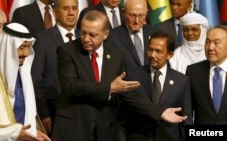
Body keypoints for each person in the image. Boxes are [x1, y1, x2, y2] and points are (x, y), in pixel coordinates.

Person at [52, 10, 187, 141]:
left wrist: (160, 112)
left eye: (92, 35)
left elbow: (127, 93)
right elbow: (71, 86)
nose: (86, 39)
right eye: (83, 33)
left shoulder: (116, 55)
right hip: (75, 127)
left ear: (105, 34)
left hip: (104, 130)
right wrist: (109, 88)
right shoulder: (67, 50)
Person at [0, 23, 50, 141]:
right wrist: (14, 132)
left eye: (28, 47)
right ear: (7, 47)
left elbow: (24, 113)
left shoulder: (22, 72)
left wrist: (32, 132)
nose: (26, 53)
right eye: (22, 47)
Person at [123, 31, 193, 141]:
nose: (152, 55)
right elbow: (124, 113)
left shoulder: (182, 80)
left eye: (158, 51)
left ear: (170, 55)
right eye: (150, 50)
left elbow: (186, 118)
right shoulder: (132, 75)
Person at [31, 0, 80, 135]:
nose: (71, 13)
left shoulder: (85, 38)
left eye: (74, 8)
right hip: (55, 115)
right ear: (55, 13)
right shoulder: (42, 39)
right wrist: (44, 114)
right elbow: (36, 81)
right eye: (66, 9)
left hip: (83, 115)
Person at [186, 25, 227, 124]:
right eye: (208, 42)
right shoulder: (193, 71)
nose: (210, 48)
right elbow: (187, 110)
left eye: (216, 43)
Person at [107, 0, 155, 69]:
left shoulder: (155, 33)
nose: (137, 21)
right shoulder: (112, 38)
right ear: (123, 13)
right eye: (132, 16)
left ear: (146, 13)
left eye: (141, 16)